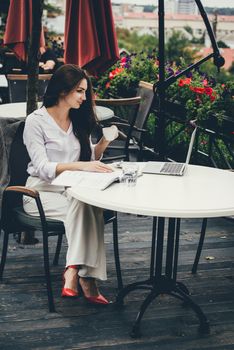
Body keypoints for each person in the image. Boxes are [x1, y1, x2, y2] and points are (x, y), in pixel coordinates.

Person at [23, 64, 119, 305]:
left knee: (84, 203)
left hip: (72, 190)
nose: (83, 97)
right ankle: (88, 279)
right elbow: (44, 168)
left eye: (85, 91)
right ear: (62, 91)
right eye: (79, 91)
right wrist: (82, 167)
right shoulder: (35, 122)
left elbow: (89, 160)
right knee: (89, 209)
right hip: (39, 192)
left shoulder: (78, 119)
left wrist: (104, 143)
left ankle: (74, 270)